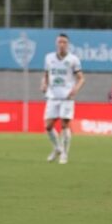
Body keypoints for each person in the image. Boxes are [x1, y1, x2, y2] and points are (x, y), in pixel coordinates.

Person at [41, 33, 85, 164]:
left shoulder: (73, 60)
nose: (62, 44)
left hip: (66, 97)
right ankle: (57, 148)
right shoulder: (49, 58)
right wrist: (43, 83)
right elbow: (46, 75)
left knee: (65, 125)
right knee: (48, 126)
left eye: (64, 42)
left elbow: (81, 78)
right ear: (56, 43)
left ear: (68, 44)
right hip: (52, 96)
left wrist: (75, 89)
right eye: (60, 42)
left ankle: (64, 154)